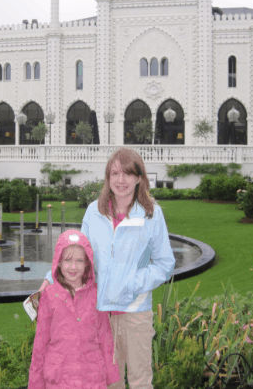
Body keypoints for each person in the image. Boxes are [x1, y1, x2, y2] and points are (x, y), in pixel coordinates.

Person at [38, 148, 176, 389]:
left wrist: (133, 282)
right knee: (109, 382)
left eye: (127, 173)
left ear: (139, 178)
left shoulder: (151, 214)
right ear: (107, 177)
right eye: (115, 173)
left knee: (140, 382)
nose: (120, 180)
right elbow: (82, 254)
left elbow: (165, 263)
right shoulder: (95, 211)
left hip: (135, 313)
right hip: (100, 312)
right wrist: (52, 278)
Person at [28, 229, 120, 389]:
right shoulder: (49, 296)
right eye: (67, 260)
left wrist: (111, 373)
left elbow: (105, 337)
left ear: (87, 264)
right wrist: (35, 383)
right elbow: (40, 343)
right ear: (58, 262)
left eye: (79, 261)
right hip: (58, 379)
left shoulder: (96, 295)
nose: (73, 266)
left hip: (92, 378)